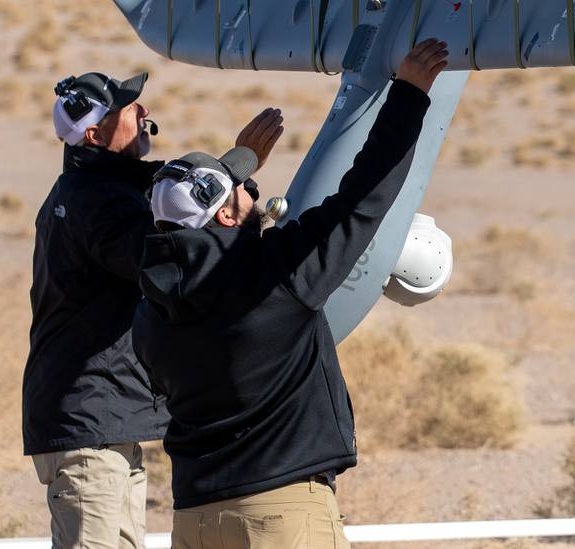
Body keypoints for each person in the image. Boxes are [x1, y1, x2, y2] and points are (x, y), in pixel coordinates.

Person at [133, 38, 450, 549]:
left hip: (195, 518)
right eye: (242, 188)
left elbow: (202, 237)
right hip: (279, 517)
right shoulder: (275, 274)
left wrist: (235, 175)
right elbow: (363, 195)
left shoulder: (150, 312)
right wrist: (409, 95)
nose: (252, 188)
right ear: (228, 217)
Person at [23, 69, 283, 549]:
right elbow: (172, 259)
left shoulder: (93, 191)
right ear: (96, 134)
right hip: (91, 419)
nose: (142, 111)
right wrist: (235, 177)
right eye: (127, 107)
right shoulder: (100, 203)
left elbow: (174, 215)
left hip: (100, 416)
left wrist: (232, 173)